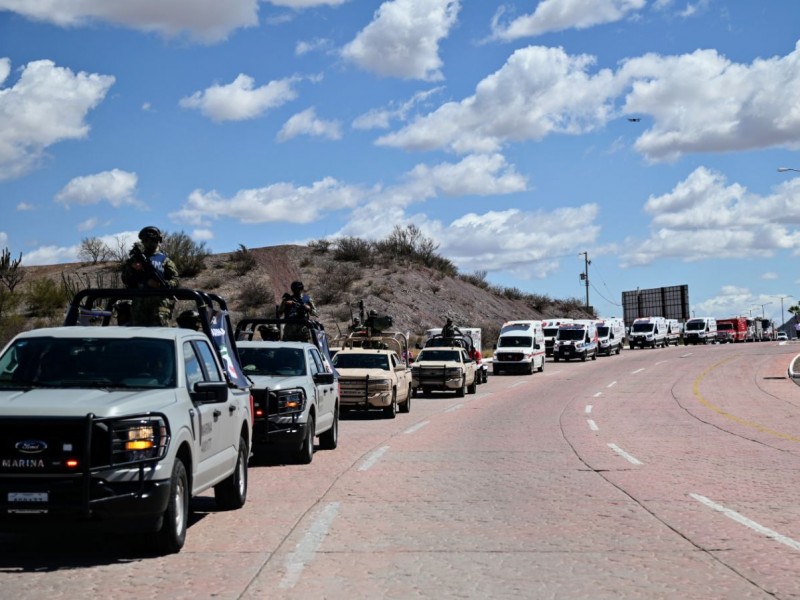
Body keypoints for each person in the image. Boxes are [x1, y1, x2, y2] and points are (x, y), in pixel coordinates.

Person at [121, 226, 179, 326]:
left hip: (159, 305)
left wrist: (160, 285)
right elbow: (125, 279)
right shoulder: (136, 259)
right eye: (146, 240)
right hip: (139, 305)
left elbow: (176, 280)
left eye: (152, 240)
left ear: (158, 240)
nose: (149, 242)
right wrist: (132, 268)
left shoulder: (165, 260)